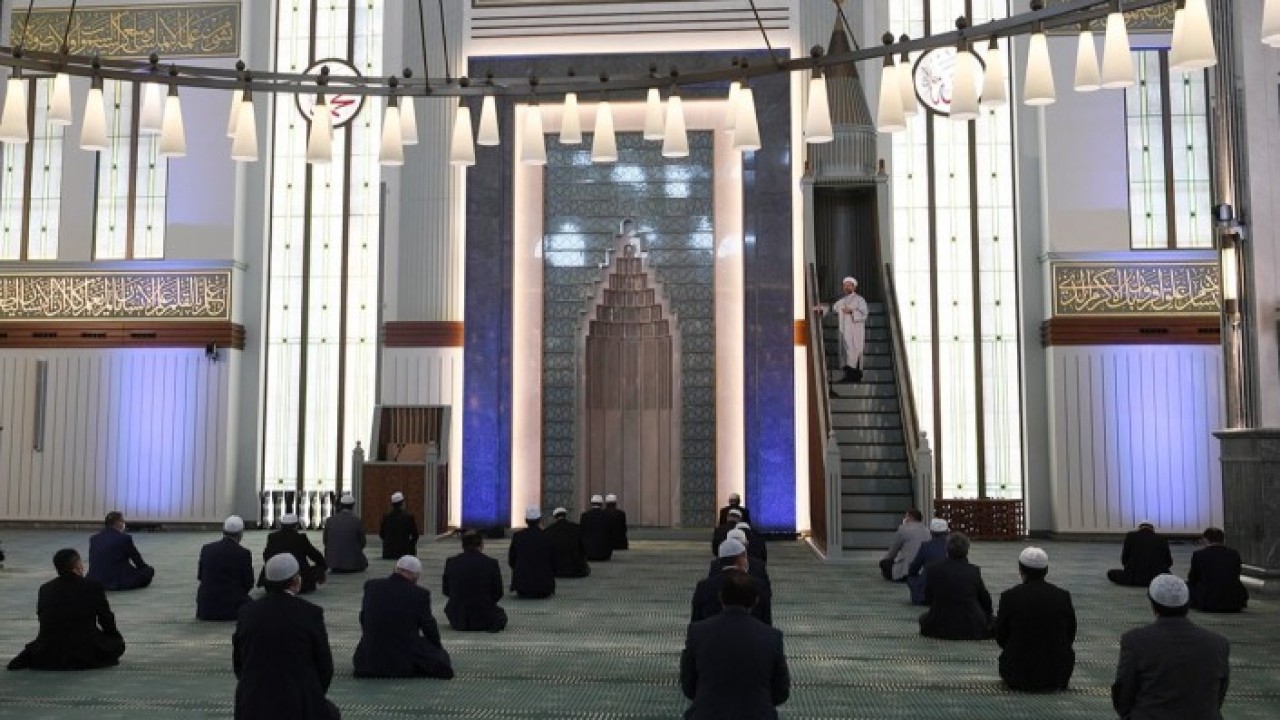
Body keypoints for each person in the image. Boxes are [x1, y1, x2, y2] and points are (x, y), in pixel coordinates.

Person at [234, 554, 340, 720]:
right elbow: (324, 666)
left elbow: (239, 663)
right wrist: (312, 695)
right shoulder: (310, 613)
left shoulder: (246, 613)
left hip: (253, 706)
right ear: (296, 581)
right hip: (298, 705)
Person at [1112, 574, 1230, 720]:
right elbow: (1219, 694)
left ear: (1153, 607)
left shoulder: (1135, 641)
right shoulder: (1218, 643)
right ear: (1187, 605)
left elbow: (1123, 693)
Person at [680, 571, 790, 720]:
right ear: (756, 600)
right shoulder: (772, 637)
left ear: (720, 597)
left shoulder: (698, 632)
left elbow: (688, 685)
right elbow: (781, 691)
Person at [8, 548, 125, 671]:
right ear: (77, 566)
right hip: (85, 649)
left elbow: (44, 619)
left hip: (50, 650)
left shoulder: (45, 589)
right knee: (115, 644)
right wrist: (114, 637)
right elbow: (106, 619)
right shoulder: (92, 587)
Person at [352, 556, 454, 679]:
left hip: (367, 661)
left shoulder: (371, 586)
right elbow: (428, 626)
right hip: (400, 662)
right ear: (415, 575)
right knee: (440, 658)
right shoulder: (420, 594)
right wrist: (437, 648)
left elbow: (363, 618)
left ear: (396, 569)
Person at [994, 547, 1076, 691]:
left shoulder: (1010, 596)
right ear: (1046, 570)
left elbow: (1001, 636)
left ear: (1020, 570)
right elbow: (1070, 633)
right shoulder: (1063, 596)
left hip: (1018, 674)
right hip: (1057, 675)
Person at [918, 532, 993, 640]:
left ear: (947, 549)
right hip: (970, 626)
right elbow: (985, 599)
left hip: (939, 626)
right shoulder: (973, 571)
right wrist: (988, 615)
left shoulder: (933, 569)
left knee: (923, 618)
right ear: (967, 550)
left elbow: (928, 597)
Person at [691, 538, 772, 626]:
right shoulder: (760, 586)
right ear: (740, 559)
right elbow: (766, 623)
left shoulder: (703, 587)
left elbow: (696, 621)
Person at [442, 531, 507, 632]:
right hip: (483, 615)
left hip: (458, 617)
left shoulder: (451, 562)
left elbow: (446, 590)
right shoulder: (491, 563)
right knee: (500, 614)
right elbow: (498, 592)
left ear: (463, 546)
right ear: (481, 545)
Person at [197, 515, 255, 621]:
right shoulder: (244, 553)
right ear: (240, 534)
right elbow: (249, 583)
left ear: (223, 531)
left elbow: (200, 576)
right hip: (233, 609)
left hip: (206, 609)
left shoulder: (206, 549)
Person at [815, 276, 869, 383]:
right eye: (845, 285)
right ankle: (848, 376)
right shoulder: (841, 301)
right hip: (844, 332)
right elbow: (831, 308)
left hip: (855, 333)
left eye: (849, 285)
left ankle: (856, 377)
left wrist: (851, 312)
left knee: (854, 353)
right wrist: (821, 309)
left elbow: (864, 314)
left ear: (854, 287)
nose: (846, 287)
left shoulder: (860, 300)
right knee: (845, 354)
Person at [259, 513, 328, 594]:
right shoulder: (301, 538)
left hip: (273, 583)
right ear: (296, 525)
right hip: (298, 582)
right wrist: (323, 567)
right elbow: (315, 556)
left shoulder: (272, 537)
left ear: (281, 525)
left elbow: (266, 556)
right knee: (318, 568)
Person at [85, 511, 154, 591]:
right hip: (116, 581)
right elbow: (139, 562)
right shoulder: (125, 538)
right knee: (149, 571)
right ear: (118, 523)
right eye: (122, 521)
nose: (123, 523)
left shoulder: (94, 538)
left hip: (94, 580)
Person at [1188, 527, 1248, 613]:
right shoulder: (1234, 554)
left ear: (1205, 540)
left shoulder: (1199, 555)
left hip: (1208, 602)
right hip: (1234, 601)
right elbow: (1236, 573)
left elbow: (1193, 578)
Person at [508, 506, 556, 599]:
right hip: (544, 587)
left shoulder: (518, 536)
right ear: (539, 520)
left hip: (522, 587)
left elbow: (512, 560)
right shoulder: (547, 536)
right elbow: (554, 561)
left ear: (526, 520)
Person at [1107, 521, 1172, 587]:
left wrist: (1131, 569)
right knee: (1172, 578)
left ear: (1139, 529)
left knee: (1111, 573)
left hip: (1133, 577)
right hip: (1156, 578)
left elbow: (1124, 559)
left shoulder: (1130, 536)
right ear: (1153, 530)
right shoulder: (1162, 539)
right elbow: (1169, 562)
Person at [906, 518, 950, 605]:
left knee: (912, 578)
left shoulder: (926, 546)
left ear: (931, 532)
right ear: (947, 532)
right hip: (949, 590)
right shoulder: (954, 546)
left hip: (929, 592)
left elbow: (914, 568)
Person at [880, 509, 931, 582]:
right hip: (922, 570)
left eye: (906, 516)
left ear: (910, 517)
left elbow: (893, 551)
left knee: (884, 563)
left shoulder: (903, 529)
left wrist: (885, 560)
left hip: (906, 571)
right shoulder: (927, 531)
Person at [323, 494, 368, 574]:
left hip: (333, 563)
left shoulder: (330, 520)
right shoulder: (357, 521)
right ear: (353, 506)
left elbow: (325, 541)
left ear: (340, 505)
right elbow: (363, 542)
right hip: (352, 564)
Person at [544, 507, 591, 578]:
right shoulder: (577, 528)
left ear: (555, 517)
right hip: (575, 570)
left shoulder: (548, 531)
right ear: (565, 515)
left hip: (556, 570)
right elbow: (584, 547)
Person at [380, 491, 420, 560]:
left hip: (389, 553)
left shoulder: (386, 517)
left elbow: (381, 534)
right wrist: (410, 545)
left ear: (392, 505)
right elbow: (415, 535)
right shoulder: (408, 517)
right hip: (405, 553)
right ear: (402, 504)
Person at [580, 494, 613, 562]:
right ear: (601, 504)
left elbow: (581, 532)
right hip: (604, 554)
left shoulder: (585, 515)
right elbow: (611, 533)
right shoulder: (608, 515)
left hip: (588, 554)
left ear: (591, 503)